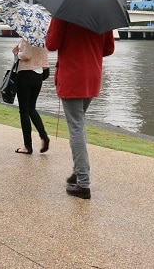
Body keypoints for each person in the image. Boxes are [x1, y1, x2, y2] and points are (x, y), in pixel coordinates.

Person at [45, 18, 115, 199]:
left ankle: (83, 182)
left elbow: (51, 44)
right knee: (79, 123)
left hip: (72, 76)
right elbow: (109, 49)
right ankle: (77, 172)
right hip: (92, 76)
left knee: (75, 127)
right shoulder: (102, 14)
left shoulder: (63, 14)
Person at [12, 38, 50, 154]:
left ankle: (27, 146)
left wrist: (16, 53)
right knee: (31, 108)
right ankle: (44, 136)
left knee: (24, 111)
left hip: (26, 75)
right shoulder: (43, 38)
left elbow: (27, 55)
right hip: (38, 75)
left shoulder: (28, 38)